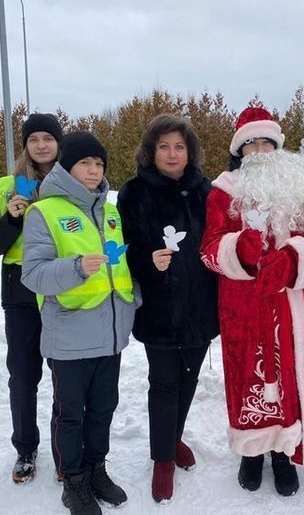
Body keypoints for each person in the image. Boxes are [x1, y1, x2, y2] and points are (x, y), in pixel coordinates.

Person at [200, 107, 304, 497]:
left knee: (291, 372)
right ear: (240, 151)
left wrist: (296, 258)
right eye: (251, 144)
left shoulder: (300, 187)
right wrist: (241, 247)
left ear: (277, 146)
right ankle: (252, 452)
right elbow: (209, 248)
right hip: (244, 303)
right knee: (249, 377)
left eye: (266, 143)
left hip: (291, 300)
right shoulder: (223, 191)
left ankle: (284, 451)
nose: (259, 150)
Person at [21, 132, 138, 515]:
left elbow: (121, 262)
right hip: (70, 332)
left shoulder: (111, 209)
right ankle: (72, 481)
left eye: (99, 164)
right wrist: (74, 268)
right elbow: (33, 275)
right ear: (67, 167)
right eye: (86, 163)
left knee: (104, 407)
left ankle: (95, 469)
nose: (93, 170)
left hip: (112, 332)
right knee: (70, 413)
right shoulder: (45, 211)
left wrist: (133, 294)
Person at [117, 114, 219, 503]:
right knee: (164, 382)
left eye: (179, 146)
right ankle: (162, 458)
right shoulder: (134, 193)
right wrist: (147, 260)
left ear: (190, 151)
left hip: (200, 304)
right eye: (164, 147)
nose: (172, 154)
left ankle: (173, 437)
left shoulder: (206, 191)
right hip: (159, 309)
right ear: (151, 151)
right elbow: (126, 246)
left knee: (190, 377)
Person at [0, 113, 63, 483]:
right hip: (20, 291)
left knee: (65, 374)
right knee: (23, 375)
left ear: (58, 144)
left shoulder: (72, 181)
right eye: (34, 139)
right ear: (26, 145)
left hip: (63, 287)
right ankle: (25, 448)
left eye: (48, 138)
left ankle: (65, 448)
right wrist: (11, 218)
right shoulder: (7, 187)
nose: (41, 145)